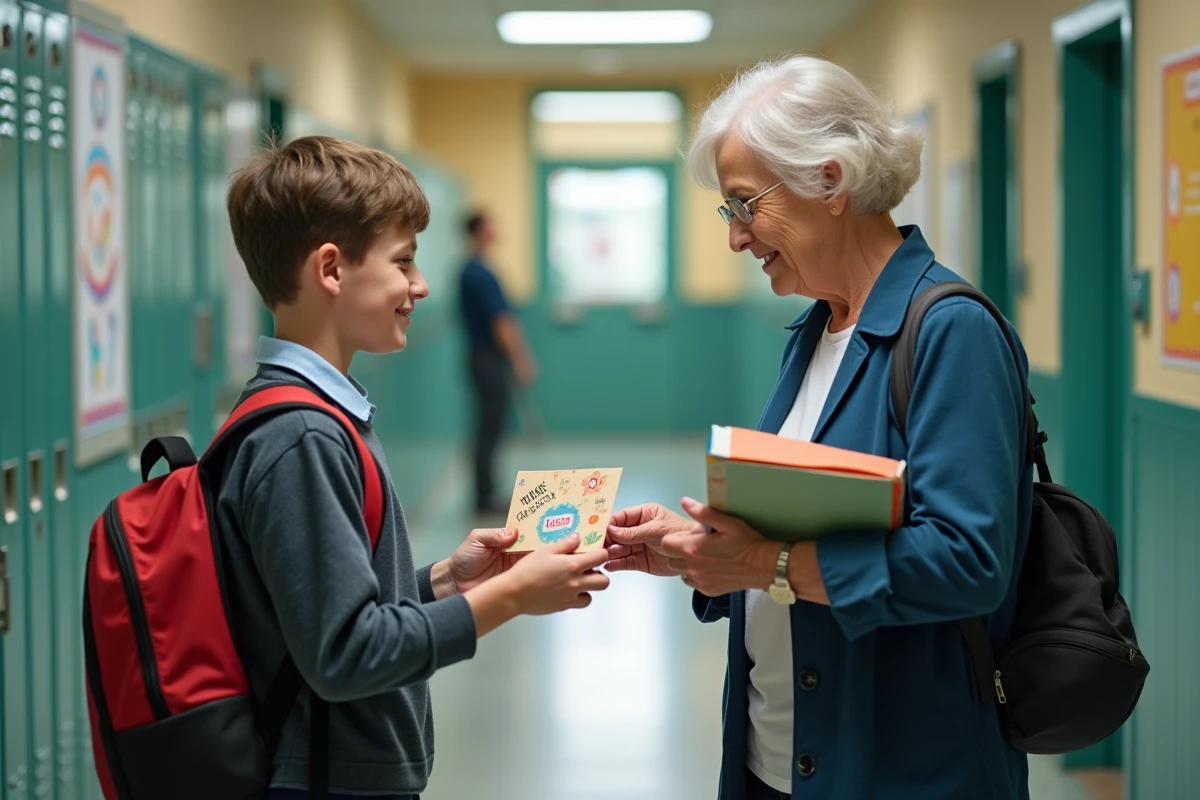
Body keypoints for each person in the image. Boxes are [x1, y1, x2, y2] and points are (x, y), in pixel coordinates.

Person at [606, 56, 1033, 800]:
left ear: (829, 182)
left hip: (897, 766)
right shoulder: (814, 330)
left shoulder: (950, 330)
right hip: (778, 761)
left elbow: (968, 560)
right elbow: (802, 521)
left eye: (744, 205)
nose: (737, 238)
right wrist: (702, 550)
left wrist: (762, 566)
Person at [223, 135, 609, 800]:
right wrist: (509, 597)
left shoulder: (318, 416)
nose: (420, 286)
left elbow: (327, 612)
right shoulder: (303, 435)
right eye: (404, 262)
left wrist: (442, 583)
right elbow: (346, 652)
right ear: (332, 271)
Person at [458, 211, 537, 515]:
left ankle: (486, 492)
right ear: (479, 230)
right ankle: (484, 496)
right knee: (489, 428)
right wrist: (520, 357)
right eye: (491, 223)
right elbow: (501, 321)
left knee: (487, 427)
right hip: (489, 359)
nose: (496, 228)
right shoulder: (480, 272)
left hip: (479, 358)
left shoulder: (470, 268)